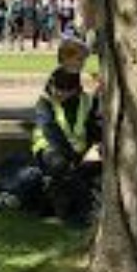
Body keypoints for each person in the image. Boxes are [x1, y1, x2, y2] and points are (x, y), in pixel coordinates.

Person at [31, 66, 103, 227]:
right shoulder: (44, 103)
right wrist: (73, 158)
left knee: (93, 170)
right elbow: (51, 132)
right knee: (62, 167)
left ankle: (85, 211)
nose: (59, 93)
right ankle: (76, 213)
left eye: (64, 90)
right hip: (49, 150)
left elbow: (95, 129)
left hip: (81, 151)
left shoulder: (88, 101)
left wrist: (95, 148)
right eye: (56, 88)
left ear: (75, 90)